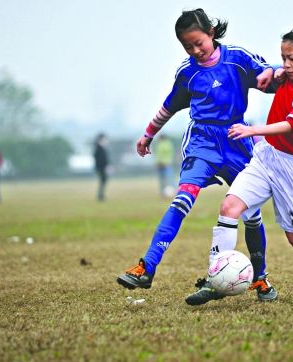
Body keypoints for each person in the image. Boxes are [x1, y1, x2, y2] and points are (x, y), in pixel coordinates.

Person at [117, 8, 278, 302]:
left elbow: (270, 74)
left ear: (211, 33)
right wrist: (148, 134)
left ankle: (260, 278)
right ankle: (147, 267)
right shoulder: (187, 72)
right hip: (202, 143)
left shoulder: (237, 58)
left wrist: (271, 72)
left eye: (198, 43)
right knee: (182, 200)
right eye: (187, 46)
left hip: (237, 139)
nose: (194, 50)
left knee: (251, 213)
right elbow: (169, 106)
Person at [189, 23, 293, 305]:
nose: (285, 64)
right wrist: (269, 72)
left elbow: (289, 125)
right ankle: (216, 279)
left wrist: (253, 130)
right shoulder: (288, 74)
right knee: (229, 208)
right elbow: (272, 74)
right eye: (283, 58)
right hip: (265, 158)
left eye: (291, 59)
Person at [93, 133, 110, 202]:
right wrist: (105, 165)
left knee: (103, 181)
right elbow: (100, 159)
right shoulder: (98, 148)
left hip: (103, 167)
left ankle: (101, 195)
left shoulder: (102, 147)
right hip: (101, 168)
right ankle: (100, 196)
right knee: (103, 181)